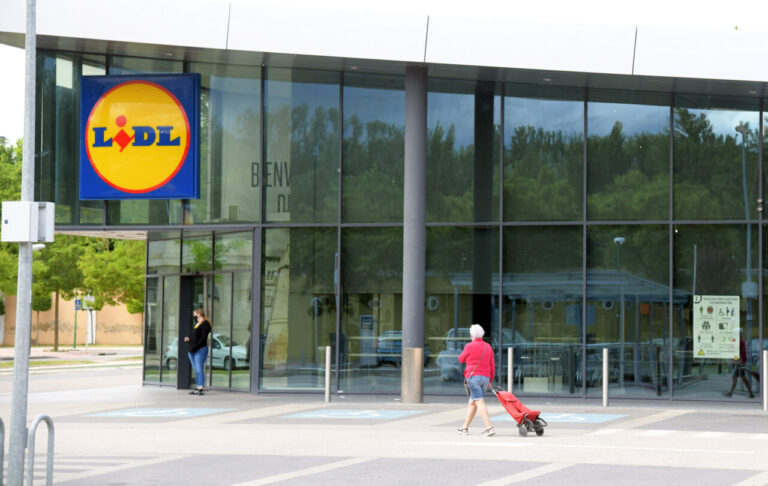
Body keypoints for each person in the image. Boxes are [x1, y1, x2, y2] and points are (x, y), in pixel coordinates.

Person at [456, 324, 496, 437]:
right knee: (473, 402)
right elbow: (492, 365)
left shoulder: (469, 346)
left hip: (474, 378)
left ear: (471, 335)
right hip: (485, 378)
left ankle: (489, 428)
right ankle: (465, 428)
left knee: (479, 402)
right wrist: (490, 380)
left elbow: (461, 359)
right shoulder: (488, 346)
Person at [185, 308, 212, 395]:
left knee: (199, 368)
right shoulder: (196, 324)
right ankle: (197, 387)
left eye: (194, 314)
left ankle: (201, 387)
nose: (193, 316)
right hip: (192, 350)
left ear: (199, 314)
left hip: (200, 349)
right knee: (196, 369)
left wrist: (195, 347)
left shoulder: (205, 323)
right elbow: (194, 335)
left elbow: (203, 338)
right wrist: (188, 338)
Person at [723, 328, 754, 399]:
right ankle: (750, 393)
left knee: (734, 377)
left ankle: (730, 393)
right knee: (743, 378)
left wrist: (740, 362)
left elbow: (742, 353)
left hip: (739, 362)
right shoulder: (739, 341)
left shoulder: (740, 341)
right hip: (738, 361)